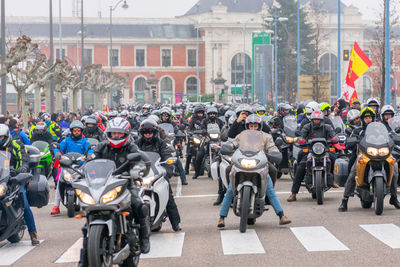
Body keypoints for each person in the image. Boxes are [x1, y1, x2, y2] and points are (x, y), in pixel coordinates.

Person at [217, 115, 291, 227]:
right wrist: (228, 147)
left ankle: (281, 215)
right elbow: (233, 144)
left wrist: (274, 153)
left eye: (255, 126)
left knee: (271, 182)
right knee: (230, 189)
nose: (253, 128)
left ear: (259, 126)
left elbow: (272, 148)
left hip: (260, 165)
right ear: (247, 126)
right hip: (241, 164)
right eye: (250, 126)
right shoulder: (241, 135)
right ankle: (221, 218)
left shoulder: (266, 137)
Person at [338, 107, 400, 211]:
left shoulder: (380, 129)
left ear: (373, 118)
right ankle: (345, 200)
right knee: (353, 173)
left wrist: (394, 138)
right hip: (364, 155)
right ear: (362, 119)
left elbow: (390, 136)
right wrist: (351, 141)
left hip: (381, 154)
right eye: (366, 118)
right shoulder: (358, 130)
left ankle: (393, 197)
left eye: (370, 117)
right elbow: (350, 140)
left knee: (394, 169)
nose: (368, 119)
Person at [136, 119, 182, 232]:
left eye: (150, 132)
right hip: (141, 174)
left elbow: (167, 156)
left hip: (158, 173)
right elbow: (131, 156)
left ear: (154, 132)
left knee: (169, 198)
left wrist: (168, 169)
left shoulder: (160, 143)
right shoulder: (137, 144)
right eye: (145, 132)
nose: (148, 134)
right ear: (142, 133)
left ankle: (175, 224)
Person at [0, 124, 39, 245]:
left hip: (14, 179)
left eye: (1, 137)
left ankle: (33, 233)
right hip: (1, 179)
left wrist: (22, 168)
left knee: (25, 204)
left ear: (7, 136)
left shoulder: (16, 145)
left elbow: (24, 158)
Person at [287, 110, 338, 202]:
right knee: (301, 166)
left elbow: (333, 134)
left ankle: (333, 179)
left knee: (334, 157)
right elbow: (302, 135)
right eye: (314, 120)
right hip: (310, 150)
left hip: (325, 149)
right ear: (312, 120)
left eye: (318, 120)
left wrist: (334, 138)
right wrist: (301, 139)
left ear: (321, 120)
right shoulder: (307, 127)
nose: (316, 121)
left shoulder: (327, 127)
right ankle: (293, 193)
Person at [50, 121, 93, 215]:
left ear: (81, 131)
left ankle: (90, 204)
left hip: (80, 166)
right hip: (66, 165)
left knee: (89, 181)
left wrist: (90, 154)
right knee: (59, 182)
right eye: (75, 130)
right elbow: (58, 147)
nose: (76, 132)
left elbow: (90, 149)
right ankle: (56, 206)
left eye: (78, 130)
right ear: (71, 131)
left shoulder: (85, 141)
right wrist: (57, 152)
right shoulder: (67, 140)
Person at [185, 104, 206, 174]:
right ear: (196, 113)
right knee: (189, 153)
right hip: (194, 138)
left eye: (201, 113)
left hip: (203, 138)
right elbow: (189, 128)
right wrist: (189, 132)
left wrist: (206, 134)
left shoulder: (205, 120)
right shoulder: (193, 120)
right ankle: (186, 169)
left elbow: (209, 128)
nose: (200, 114)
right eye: (198, 113)